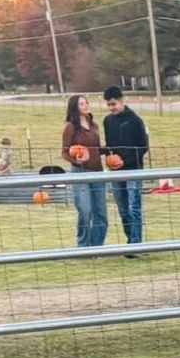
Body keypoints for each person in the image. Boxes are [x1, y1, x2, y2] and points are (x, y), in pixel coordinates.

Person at [101, 85, 150, 247]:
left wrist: (126, 161)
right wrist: (107, 155)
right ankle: (130, 239)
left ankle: (136, 244)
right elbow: (109, 145)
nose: (111, 108)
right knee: (122, 209)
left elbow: (143, 146)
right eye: (108, 105)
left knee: (133, 207)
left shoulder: (135, 121)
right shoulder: (107, 121)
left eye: (113, 104)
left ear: (122, 101)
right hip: (115, 171)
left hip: (133, 169)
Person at [62, 93, 107, 248]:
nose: (86, 105)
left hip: (97, 172)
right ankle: (83, 246)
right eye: (82, 104)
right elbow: (64, 152)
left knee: (101, 212)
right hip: (80, 173)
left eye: (86, 103)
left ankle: (97, 246)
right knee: (85, 210)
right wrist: (76, 160)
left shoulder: (94, 125)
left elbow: (96, 148)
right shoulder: (70, 127)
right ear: (75, 108)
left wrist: (107, 151)